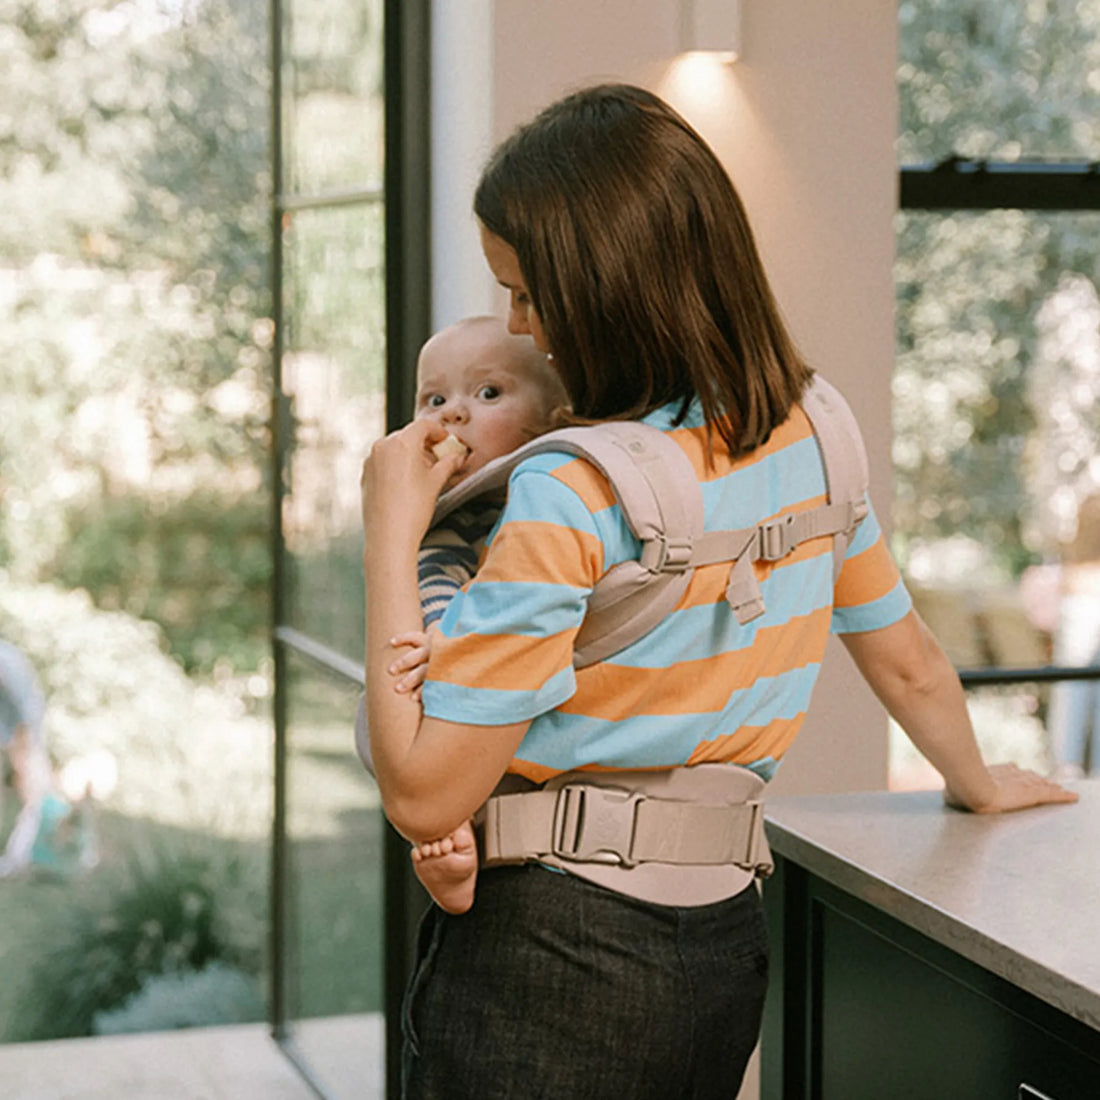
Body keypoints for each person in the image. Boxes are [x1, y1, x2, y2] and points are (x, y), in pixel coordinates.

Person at [360, 84, 1077, 1099]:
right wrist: (974, 775)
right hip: (719, 945)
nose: (517, 325)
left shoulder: (570, 488)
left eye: (526, 290)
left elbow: (422, 790)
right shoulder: (813, 423)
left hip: (547, 955)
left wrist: (390, 531)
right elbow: (903, 652)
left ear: (605, 280)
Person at [371, 315, 568, 912]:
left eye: (488, 393)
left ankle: (459, 838)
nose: (453, 414)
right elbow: (432, 581)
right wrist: (443, 638)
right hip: (449, 708)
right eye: (434, 399)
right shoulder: (452, 518)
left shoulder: (553, 496)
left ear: (555, 416)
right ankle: (456, 847)